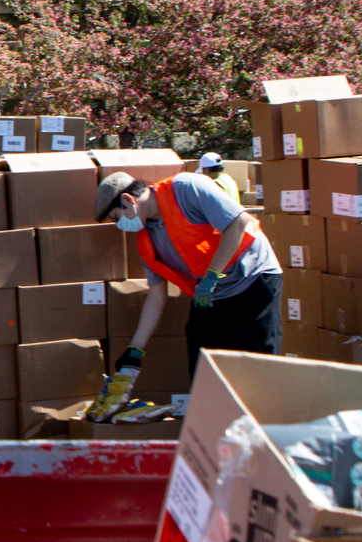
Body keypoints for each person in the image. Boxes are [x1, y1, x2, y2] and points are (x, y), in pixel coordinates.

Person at [91, 165, 281, 416]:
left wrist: (212, 276)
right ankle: (211, 434)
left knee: (257, 368)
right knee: (204, 366)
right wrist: (133, 354)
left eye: (118, 218)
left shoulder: (186, 188)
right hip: (211, 295)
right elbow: (156, 297)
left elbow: (238, 222)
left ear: (128, 200)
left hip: (252, 278)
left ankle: (265, 432)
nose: (121, 226)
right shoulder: (148, 239)